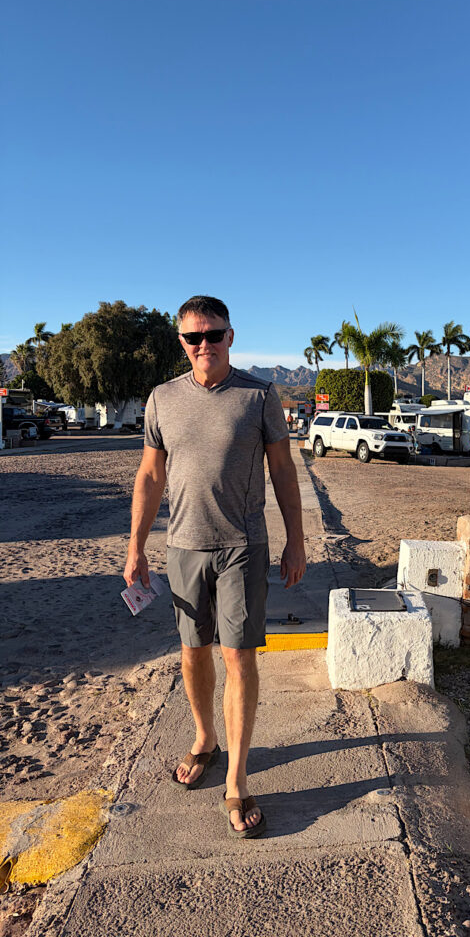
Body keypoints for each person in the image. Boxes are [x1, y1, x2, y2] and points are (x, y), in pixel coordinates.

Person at [123, 295, 306, 838]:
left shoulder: (259, 395)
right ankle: (205, 738)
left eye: (213, 334)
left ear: (230, 336)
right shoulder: (162, 398)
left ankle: (237, 778)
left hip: (242, 547)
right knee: (192, 651)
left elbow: (283, 470)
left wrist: (296, 541)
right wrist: (136, 546)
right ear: (182, 342)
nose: (204, 344)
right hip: (184, 546)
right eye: (193, 337)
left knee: (239, 656)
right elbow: (150, 475)